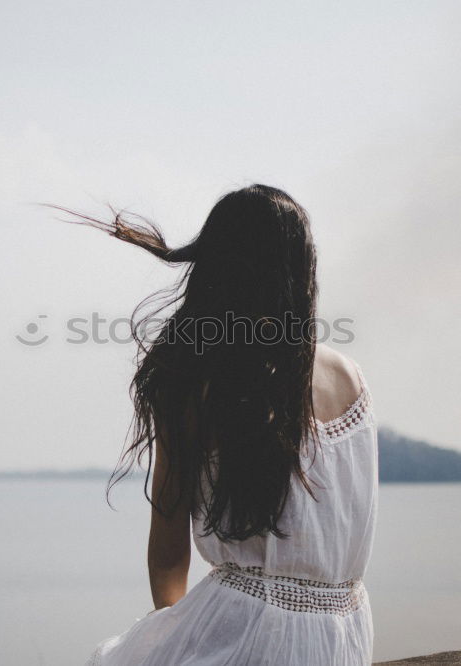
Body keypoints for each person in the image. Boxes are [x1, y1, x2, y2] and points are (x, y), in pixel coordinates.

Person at [47, 184, 377, 665]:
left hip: (241, 632)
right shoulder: (350, 379)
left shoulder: (197, 380)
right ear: (301, 269)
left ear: (216, 269)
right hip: (343, 640)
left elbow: (167, 555)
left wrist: (175, 639)